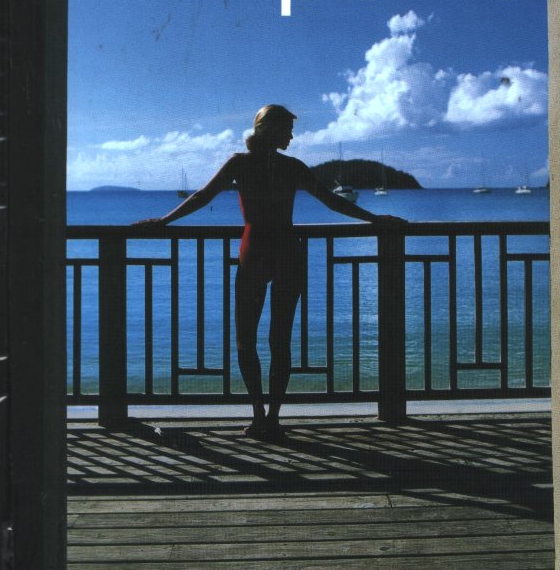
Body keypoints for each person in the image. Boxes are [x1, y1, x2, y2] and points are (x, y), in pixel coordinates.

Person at [135, 105, 405, 441]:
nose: (291, 136)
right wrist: (375, 220)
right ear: (270, 129)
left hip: (255, 252)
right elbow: (331, 201)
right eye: (287, 129)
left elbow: (204, 196)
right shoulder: (293, 167)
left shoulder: (240, 163)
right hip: (288, 252)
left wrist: (163, 221)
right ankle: (273, 418)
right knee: (280, 341)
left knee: (246, 340)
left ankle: (259, 415)